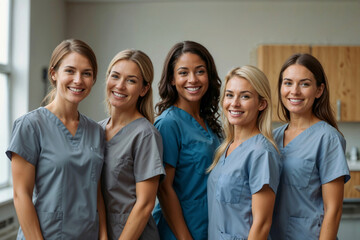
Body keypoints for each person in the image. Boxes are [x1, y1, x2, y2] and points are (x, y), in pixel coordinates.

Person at [6, 39, 107, 239]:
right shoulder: (30, 126)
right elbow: (21, 195)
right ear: (54, 73)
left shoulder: (96, 131)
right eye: (70, 71)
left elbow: (95, 192)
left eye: (86, 73)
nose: (78, 80)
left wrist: (103, 236)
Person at [269, 53, 350, 240]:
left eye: (304, 84)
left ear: (319, 90)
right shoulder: (273, 137)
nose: (294, 91)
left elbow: (334, 210)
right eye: (288, 83)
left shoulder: (328, 138)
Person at [152, 40, 222, 240]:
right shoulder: (168, 123)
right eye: (183, 72)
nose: (193, 79)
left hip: (208, 228)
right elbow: (164, 189)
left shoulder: (209, 123)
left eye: (200, 71)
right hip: (179, 232)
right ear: (172, 79)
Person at [207, 65, 281, 240]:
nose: (234, 103)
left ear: (262, 104)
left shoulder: (262, 153)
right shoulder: (226, 147)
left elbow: (262, 225)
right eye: (230, 95)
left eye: (245, 96)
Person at [99, 49, 165, 240]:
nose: (120, 86)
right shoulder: (95, 130)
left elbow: (145, 205)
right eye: (115, 76)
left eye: (131, 80)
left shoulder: (145, 135)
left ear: (144, 89)